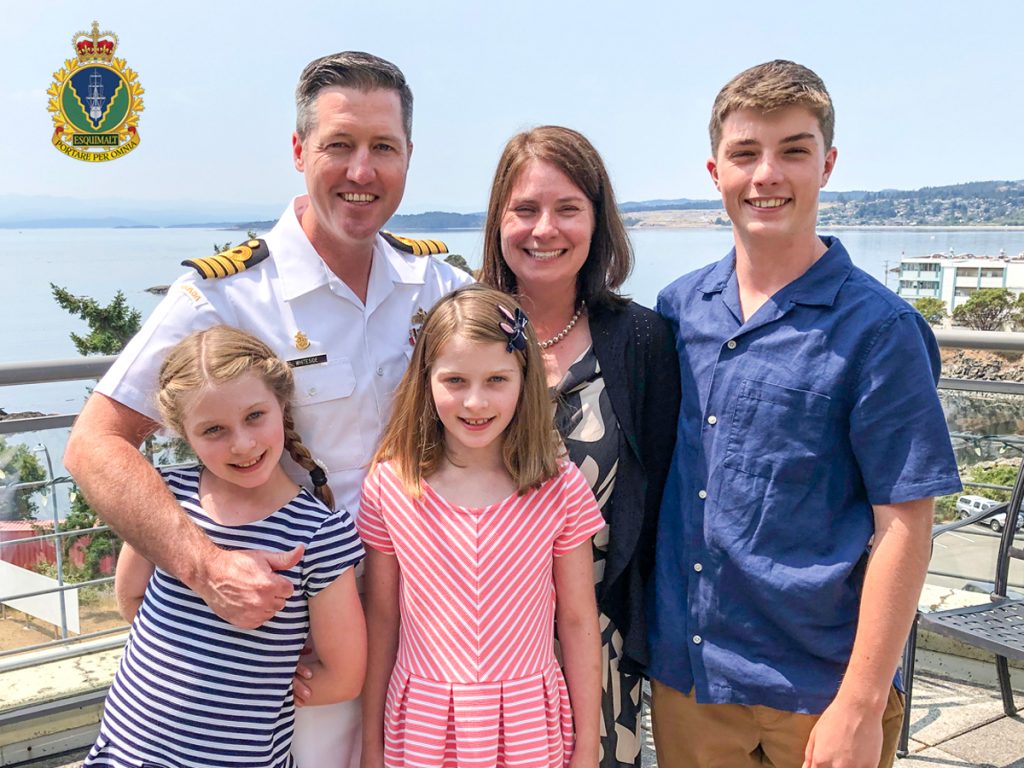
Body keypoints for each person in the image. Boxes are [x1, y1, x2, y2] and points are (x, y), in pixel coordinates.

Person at [63, 51, 471, 768]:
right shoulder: (226, 296)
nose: (361, 172)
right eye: (338, 145)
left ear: (409, 156)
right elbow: (95, 443)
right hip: (284, 656)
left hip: (423, 640)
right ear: (298, 150)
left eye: (384, 148)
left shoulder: (434, 284)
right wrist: (204, 566)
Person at [647, 60, 962, 768]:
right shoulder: (677, 310)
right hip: (692, 681)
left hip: (820, 688)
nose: (767, 175)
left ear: (828, 165)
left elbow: (905, 525)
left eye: (793, 150)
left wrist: (861, 702)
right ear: (714, 169)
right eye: (746, 153)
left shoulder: (880, 329)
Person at [479, 125, 680, 767]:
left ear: (597, 221)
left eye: (568, 208)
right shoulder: (460, 335)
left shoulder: (642, 341)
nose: (545, 229)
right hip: (473, 638)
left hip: (599, 639)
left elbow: (663, 493)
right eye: (526, 209)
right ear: (498, 220)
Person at [83, 325, 366, 768]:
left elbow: (346, 675)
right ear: (183, 433)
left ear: (281, 405)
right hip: (127, 751)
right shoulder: (168, 498)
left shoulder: (319, 533)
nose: (243, 443)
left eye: (255, 416)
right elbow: (131, 596)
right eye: (214, 429)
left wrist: (263, 688)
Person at [358, 284, 605, 767]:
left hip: (529, 726)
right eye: (455, 381)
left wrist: (587, 747)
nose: (475, 402)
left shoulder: (558, 487)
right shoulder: (391, 485)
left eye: (496, 379)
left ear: (524, 377)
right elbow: (383, 619)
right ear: (426, 380)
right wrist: (371, 745)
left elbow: (576, 621)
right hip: (424, 726)